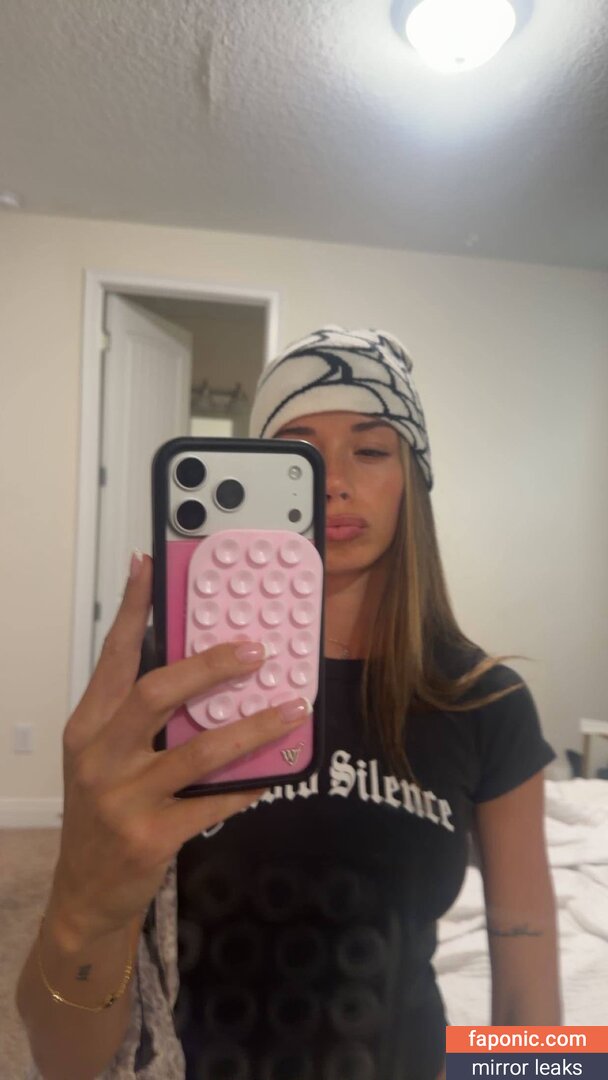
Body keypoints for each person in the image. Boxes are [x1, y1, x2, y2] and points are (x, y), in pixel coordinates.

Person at [17, 327, 561, 1080]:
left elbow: (527, 948)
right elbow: (63, 1064)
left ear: (413, 479)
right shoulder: (167, 688)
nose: (333, 482)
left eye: (371, 450)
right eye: (298, 458)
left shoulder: (488, 701)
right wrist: (81, 905)